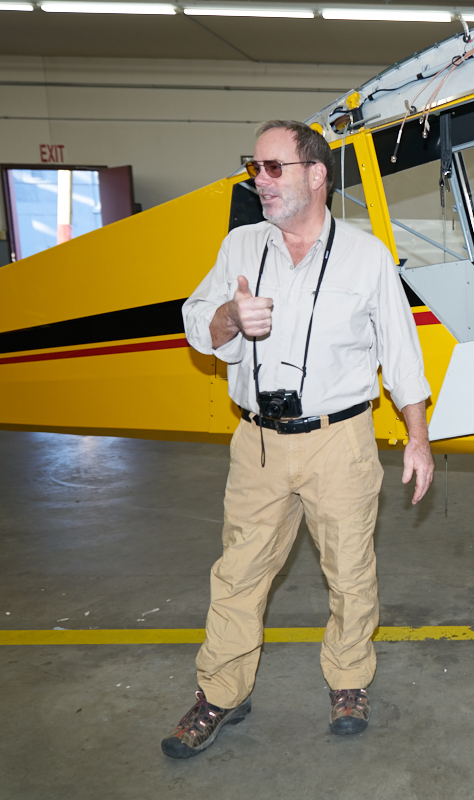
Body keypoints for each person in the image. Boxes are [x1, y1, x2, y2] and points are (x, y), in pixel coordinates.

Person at [163, 120, 434, 758]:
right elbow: (197, 321)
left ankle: (349, 682)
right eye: (254, 167)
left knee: (350, 573)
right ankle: (222, 693)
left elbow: (401, 354)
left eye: (273, 167)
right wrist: (230, 316)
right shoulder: (240, 247)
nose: (259, 180)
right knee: (237, 574)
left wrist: (418, 439)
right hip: (257, 443)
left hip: (340, 441)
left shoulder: (366, 256)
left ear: (316, 174)